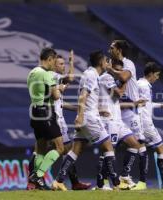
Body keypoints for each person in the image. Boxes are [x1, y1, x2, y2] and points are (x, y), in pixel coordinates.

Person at [52, 50, 120, 190]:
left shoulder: (90, 74)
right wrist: (81, 116)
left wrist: (96, 110)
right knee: (108, 146)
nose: (108, 63)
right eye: (107, 61)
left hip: (87, 116)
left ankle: (58, 181)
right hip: (89, 118)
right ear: (101, 62)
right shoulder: (91, 75)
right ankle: (117, 184)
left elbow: (87, 97)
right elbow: (83, 96)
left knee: (75, 150)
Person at [107, 40, 148, 190]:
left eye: (112, 47)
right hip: (117, 110)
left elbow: (124, 77)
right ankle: (106, 181)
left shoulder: (128, 63)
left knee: (137, 144)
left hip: (130, 112)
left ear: (119, 50)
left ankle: (138, 180)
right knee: (110, 146)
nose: (109, 49)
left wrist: (109, 69)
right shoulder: (112, 66)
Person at [97, 59, 141, 190]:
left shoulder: (115, 80)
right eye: (116, 69)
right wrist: (125, 80)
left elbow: (117, 99)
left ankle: (123, 176)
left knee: (135, 144)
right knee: (110, 151)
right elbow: (120, 93)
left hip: (117, 119)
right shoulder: (106, 77)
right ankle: (102, 183)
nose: (119, 73)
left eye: (120, 71)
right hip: (109, 120)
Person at [27, 47, 64, 190]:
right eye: (54, 61)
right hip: (45, 112)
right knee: (60, 147)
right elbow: (55, 96)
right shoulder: (46, 74)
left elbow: (39, 91)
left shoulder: (32, 73)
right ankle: (38, 175)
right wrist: (59, 88)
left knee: (41, 148)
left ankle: (36, 180)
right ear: (49, 59)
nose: (54, 64)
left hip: (34, 111)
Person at [137, 62, 163, 188]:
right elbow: (141, 107)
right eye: (157, 75)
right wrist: (144, 124)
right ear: (151, 74)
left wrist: (162, 105)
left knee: (138, 150)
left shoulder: (140, 83)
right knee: (161, 149)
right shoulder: (144, 86)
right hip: (145, 123)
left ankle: (140, 181)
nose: (157, 78)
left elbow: (144, 104)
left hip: (138, 123)